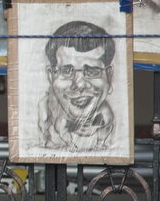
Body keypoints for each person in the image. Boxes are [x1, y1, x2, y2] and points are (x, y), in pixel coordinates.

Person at [37, 20, 117, 152]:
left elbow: (107, 124)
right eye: (66, 71)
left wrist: (99, 139)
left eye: (92, 71)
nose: (79, 85)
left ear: (108, 76)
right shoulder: (55, 112)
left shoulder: (105, 114)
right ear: (51, 77)